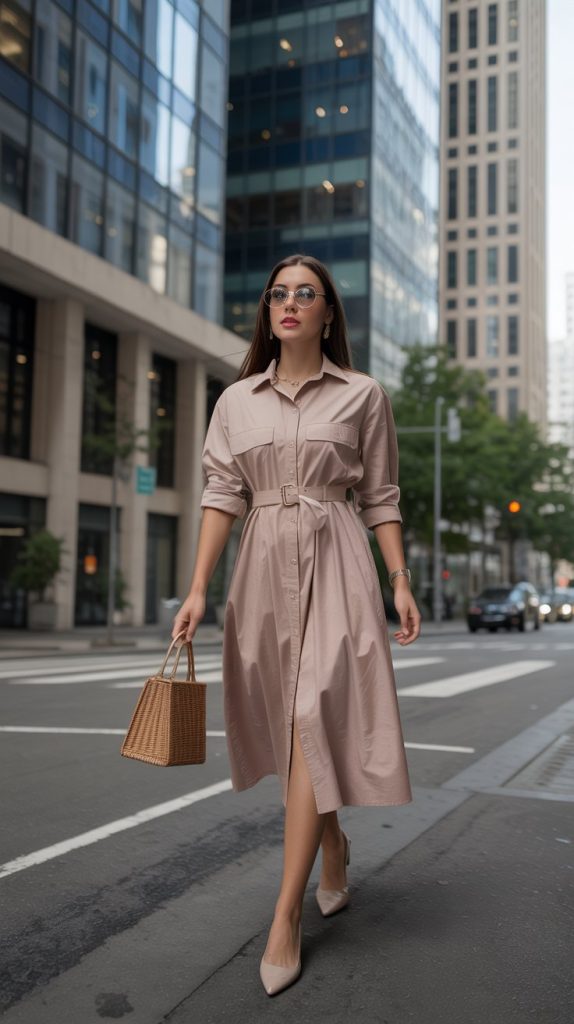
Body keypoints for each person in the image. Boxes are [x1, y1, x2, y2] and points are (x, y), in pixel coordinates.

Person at [172, 253, 421, 996]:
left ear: (327, 313)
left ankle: (285, 916)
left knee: (314, 707)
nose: (289, 303)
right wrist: (194, 590)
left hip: (338, 560)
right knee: (290, 725)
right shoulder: (235, 400)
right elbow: (223, 494)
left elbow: (379, 494)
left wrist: (399, 582)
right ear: (268, 312)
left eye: (304, 294)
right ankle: (333, 840)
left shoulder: (362, 394)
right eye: (278, 292)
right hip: (261, 570)